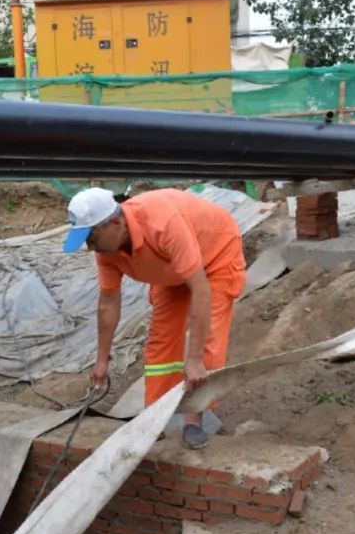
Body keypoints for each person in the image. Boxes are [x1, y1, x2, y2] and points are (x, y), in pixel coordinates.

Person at [64, 188, 246, 450]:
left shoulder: (163, 224)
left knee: (206, 340)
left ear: (115, 223)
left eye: (91, 237)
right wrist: (102, 360)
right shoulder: (107, 252)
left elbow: (200, 290)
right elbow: (108, 301)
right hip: (171, 269)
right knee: (162, 339)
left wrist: (194, 359)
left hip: (214, 254)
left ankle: (193, 421)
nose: (89, 246)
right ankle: (156, 417)